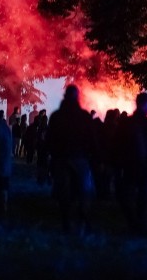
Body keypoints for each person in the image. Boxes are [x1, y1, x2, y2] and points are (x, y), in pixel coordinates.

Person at [47, 84, 98, 234]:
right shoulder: (84, 116)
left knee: (64, 192)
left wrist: (52, 155)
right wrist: (95, 156)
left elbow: (50, 138)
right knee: (84, 191)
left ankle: (66, 222)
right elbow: (92, 139)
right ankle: (83, 220)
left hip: (62, 158)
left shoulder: (56, 116)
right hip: (80, 158)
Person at [114, 92, 147, 233]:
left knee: (127, 195)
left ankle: (135, 223)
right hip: (143, 165)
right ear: (143, 104)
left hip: (131, 165)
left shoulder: (126, 122)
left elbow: (118, 144)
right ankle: (140, 223)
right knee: (143, 197)